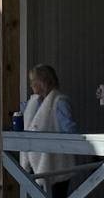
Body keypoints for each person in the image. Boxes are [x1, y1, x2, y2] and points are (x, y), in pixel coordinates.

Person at [19, 65, 78, 198]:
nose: (31, 84)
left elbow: (70, 131)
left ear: (44, 81)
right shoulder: (34, 102)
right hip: (37, 163)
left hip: (56, 164)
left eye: (34, 80)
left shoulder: (59, 101)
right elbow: (12, 110)